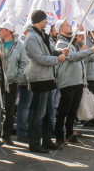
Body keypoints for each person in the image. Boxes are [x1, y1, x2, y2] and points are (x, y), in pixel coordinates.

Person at [24, 10, 67, 154]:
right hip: (39, 78)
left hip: (48, 77)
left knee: (49, 111)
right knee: (38, 112)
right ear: (39, 20)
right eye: (44, 19)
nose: (46, 22)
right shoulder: (31, 37)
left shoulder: (43, 35)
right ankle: (35, 143)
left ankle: (47, 141)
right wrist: (57, 60)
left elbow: (49, 51)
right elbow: (39, 58)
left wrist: (60, 53)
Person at [55, 23, 94, 145]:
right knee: (64, 110)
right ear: (61, 29)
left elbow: (80, 62)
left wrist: (83, 80)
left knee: (72, 111)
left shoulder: (72, 43)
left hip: (77, 81)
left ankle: (69, 134)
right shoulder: (62, 44)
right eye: (67, 25)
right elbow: (73, 57)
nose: (70, 27)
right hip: (68, 81)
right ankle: (59, 136)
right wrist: (90, 51)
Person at [0, 21, 28, 146]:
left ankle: (7, 135)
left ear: (8, 31)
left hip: (12, 81)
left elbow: (24, 62)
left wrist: (18, 77)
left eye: (2, 29)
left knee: (9, 110)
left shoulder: (19, 45)